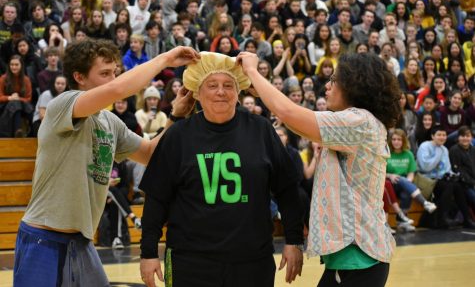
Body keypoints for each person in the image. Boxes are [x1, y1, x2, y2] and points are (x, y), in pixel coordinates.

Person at [13, 39, 200, 286]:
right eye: (104, 73)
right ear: (79, 76)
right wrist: (164, 59)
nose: (113, 79)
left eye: (115, 72)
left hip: (81, 242)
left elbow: (151, 153)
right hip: (43, 239)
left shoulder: (110, 122)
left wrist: (175, 116)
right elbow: (117, 91)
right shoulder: (62, 104)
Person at [139, 52, 304, 287]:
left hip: (252, 261)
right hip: (190, 262)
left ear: (238, 92)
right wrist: (148, 253)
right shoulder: (178, 135)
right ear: (197, 91)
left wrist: (294, 240)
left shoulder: (261, 130)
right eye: (212, 85)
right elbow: (156, 199)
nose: (220, 91)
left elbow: (287, 190)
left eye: (228, 85)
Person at [239, 51, 401, 286]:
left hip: (361, 259)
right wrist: (263, 90)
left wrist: (253, 71)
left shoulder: (360, 122)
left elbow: (289, 114)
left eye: (334, 80)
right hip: (351, 260)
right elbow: (298, 123)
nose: (327, 86)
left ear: (354, 85)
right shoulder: (354, 122)